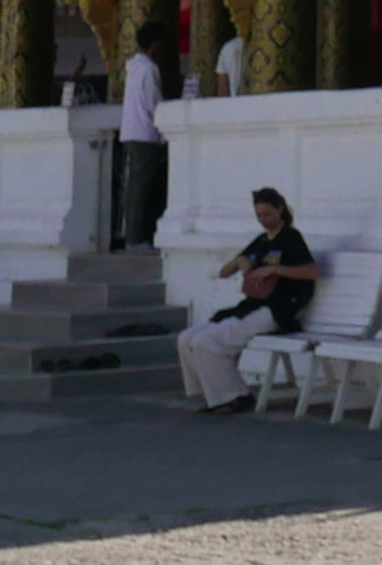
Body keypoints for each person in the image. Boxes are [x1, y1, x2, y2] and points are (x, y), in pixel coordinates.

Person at [178, 189, 319, 415]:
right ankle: (214, 394)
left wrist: (274, 269)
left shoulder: (291, 238)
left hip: (277, 309)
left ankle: (236, 395)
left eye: (267, 214)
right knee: (187, 338)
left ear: (280, 210)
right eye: (259, 216)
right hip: (251, 305)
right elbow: (224, 273)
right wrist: (239, 261)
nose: (264, 220)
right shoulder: (261, 241)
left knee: (207, 341)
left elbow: (311, 271)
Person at [114, 40, 170, 251]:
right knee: (142, 189)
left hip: (131, 131)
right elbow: (153, 102)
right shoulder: (148, 68)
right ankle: (137, 239)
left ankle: (133, 236)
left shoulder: (133, 68)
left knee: (135, 187)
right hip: (145, 133)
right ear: (154, 45)